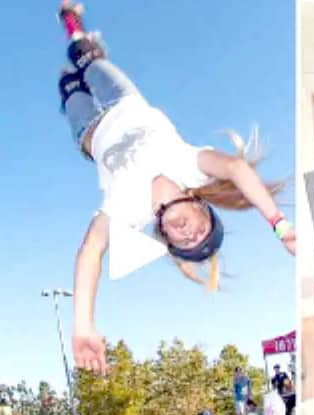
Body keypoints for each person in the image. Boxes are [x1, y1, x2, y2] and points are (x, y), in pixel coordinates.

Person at [56, 1, 296, 375]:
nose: (187, 233)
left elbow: (91, 253)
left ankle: (71, 82)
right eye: (199, 230)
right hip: (124, 99)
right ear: (199, 204)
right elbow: (235, 168)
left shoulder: (129, 211)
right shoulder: (191, 166)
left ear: (165, 234)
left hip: (88, 131)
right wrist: (279, 224)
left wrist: (82, 326)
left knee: (68, 85)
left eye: (182, 241)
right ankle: (74, 25)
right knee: (87, 58)